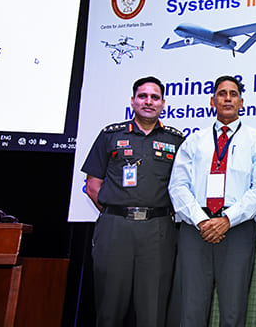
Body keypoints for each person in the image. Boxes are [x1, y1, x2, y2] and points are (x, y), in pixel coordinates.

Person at [168, 75, 256, 326]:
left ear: (241, 102)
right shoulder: (194, 141)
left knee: (233, 310)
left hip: (237, 229)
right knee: (192, 308)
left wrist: (227, 219)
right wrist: (202, 221)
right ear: (212, 101)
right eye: (222, 93)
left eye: (233, 94)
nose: (227, 98)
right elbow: (177, 186)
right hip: (195, 229)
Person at [82, 76, 185, 327]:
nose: (148, 102)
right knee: (109, 308)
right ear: (132, 101)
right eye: (143, 96)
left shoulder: (176, 140)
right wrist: (117, 213)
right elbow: (92, 185)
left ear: (163, 103)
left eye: (155, 97)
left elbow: (182, 186)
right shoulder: (110, 135)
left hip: (157, 229)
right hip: (115, 228)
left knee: (153, 310)